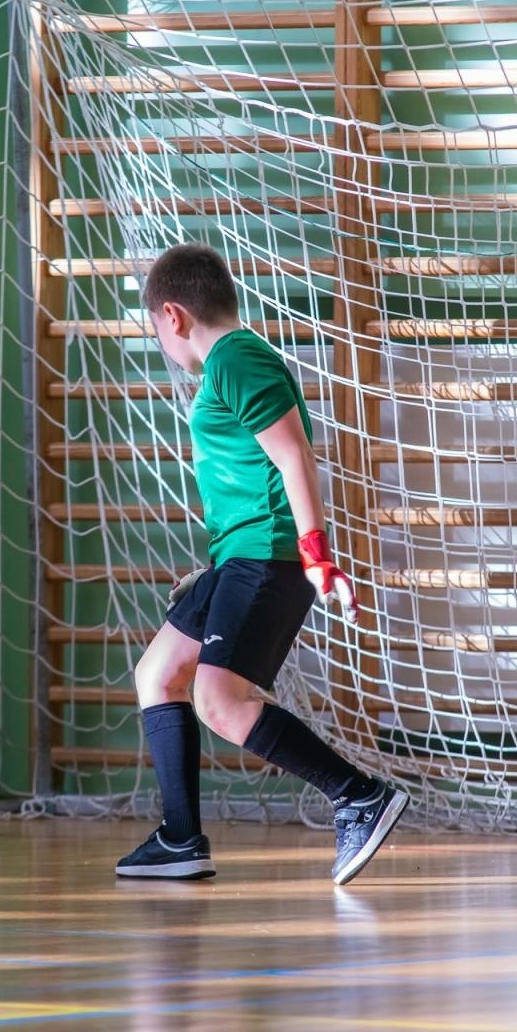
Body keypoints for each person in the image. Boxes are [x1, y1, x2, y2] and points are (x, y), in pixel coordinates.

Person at [116, 243, 407, 885]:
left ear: (173, 316)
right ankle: (180, 838)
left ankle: (359, 795)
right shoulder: (229, 363)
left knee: (219, 702)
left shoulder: (235, 359)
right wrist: (216, 573)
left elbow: (293, 456)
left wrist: (315, 556)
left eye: (156, 329)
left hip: (268, 557)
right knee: (158, 673)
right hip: (239, 558)